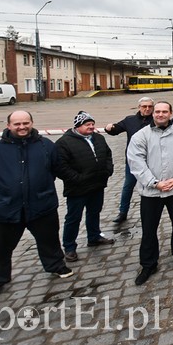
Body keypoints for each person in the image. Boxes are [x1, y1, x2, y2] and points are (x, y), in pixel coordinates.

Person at [0, 111, 74, 301]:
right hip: (7, 208)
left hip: (41, 204)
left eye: (25, 123)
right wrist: (8, 189)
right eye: (17, 124)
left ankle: (56, 265)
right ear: (8, 126)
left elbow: (55, 168)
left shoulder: (45, 145)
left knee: (49, 239)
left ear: (32, 123)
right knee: (1, 246)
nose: (22, 127)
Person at [127, 101, 173, 285]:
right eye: (157, 111)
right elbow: (136, 161)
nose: (160, 114)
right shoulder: (141, 136)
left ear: (171, 113)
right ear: (153, 114)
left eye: (164, 111)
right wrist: (154, 183)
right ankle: (149, 264)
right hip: (151, 192)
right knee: (149, 229)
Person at [56, 111, 115, 263]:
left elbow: (108, 155)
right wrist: (77, 178)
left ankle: (94, 236)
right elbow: (61, 166)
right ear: (77, 126)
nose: (91, 127)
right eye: (87, 125)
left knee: (94, 212)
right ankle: (69, 246)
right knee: (73, 218)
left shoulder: (98, 138)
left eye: (92, 124)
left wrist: (108, 170)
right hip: (77, 188)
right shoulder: (64, 142)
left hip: (97, 184)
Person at [105, 96, 154, 224]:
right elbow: (116, 129)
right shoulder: (130, 120)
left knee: (152, 186)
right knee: (128, 186)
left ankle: (152, 211)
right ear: (139, 107)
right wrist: (109, 128)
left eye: (150, 106)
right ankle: (123, 212)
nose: (147, 109)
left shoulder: (156, 119)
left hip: (152, 160)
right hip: (133, 161)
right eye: (144, 106)